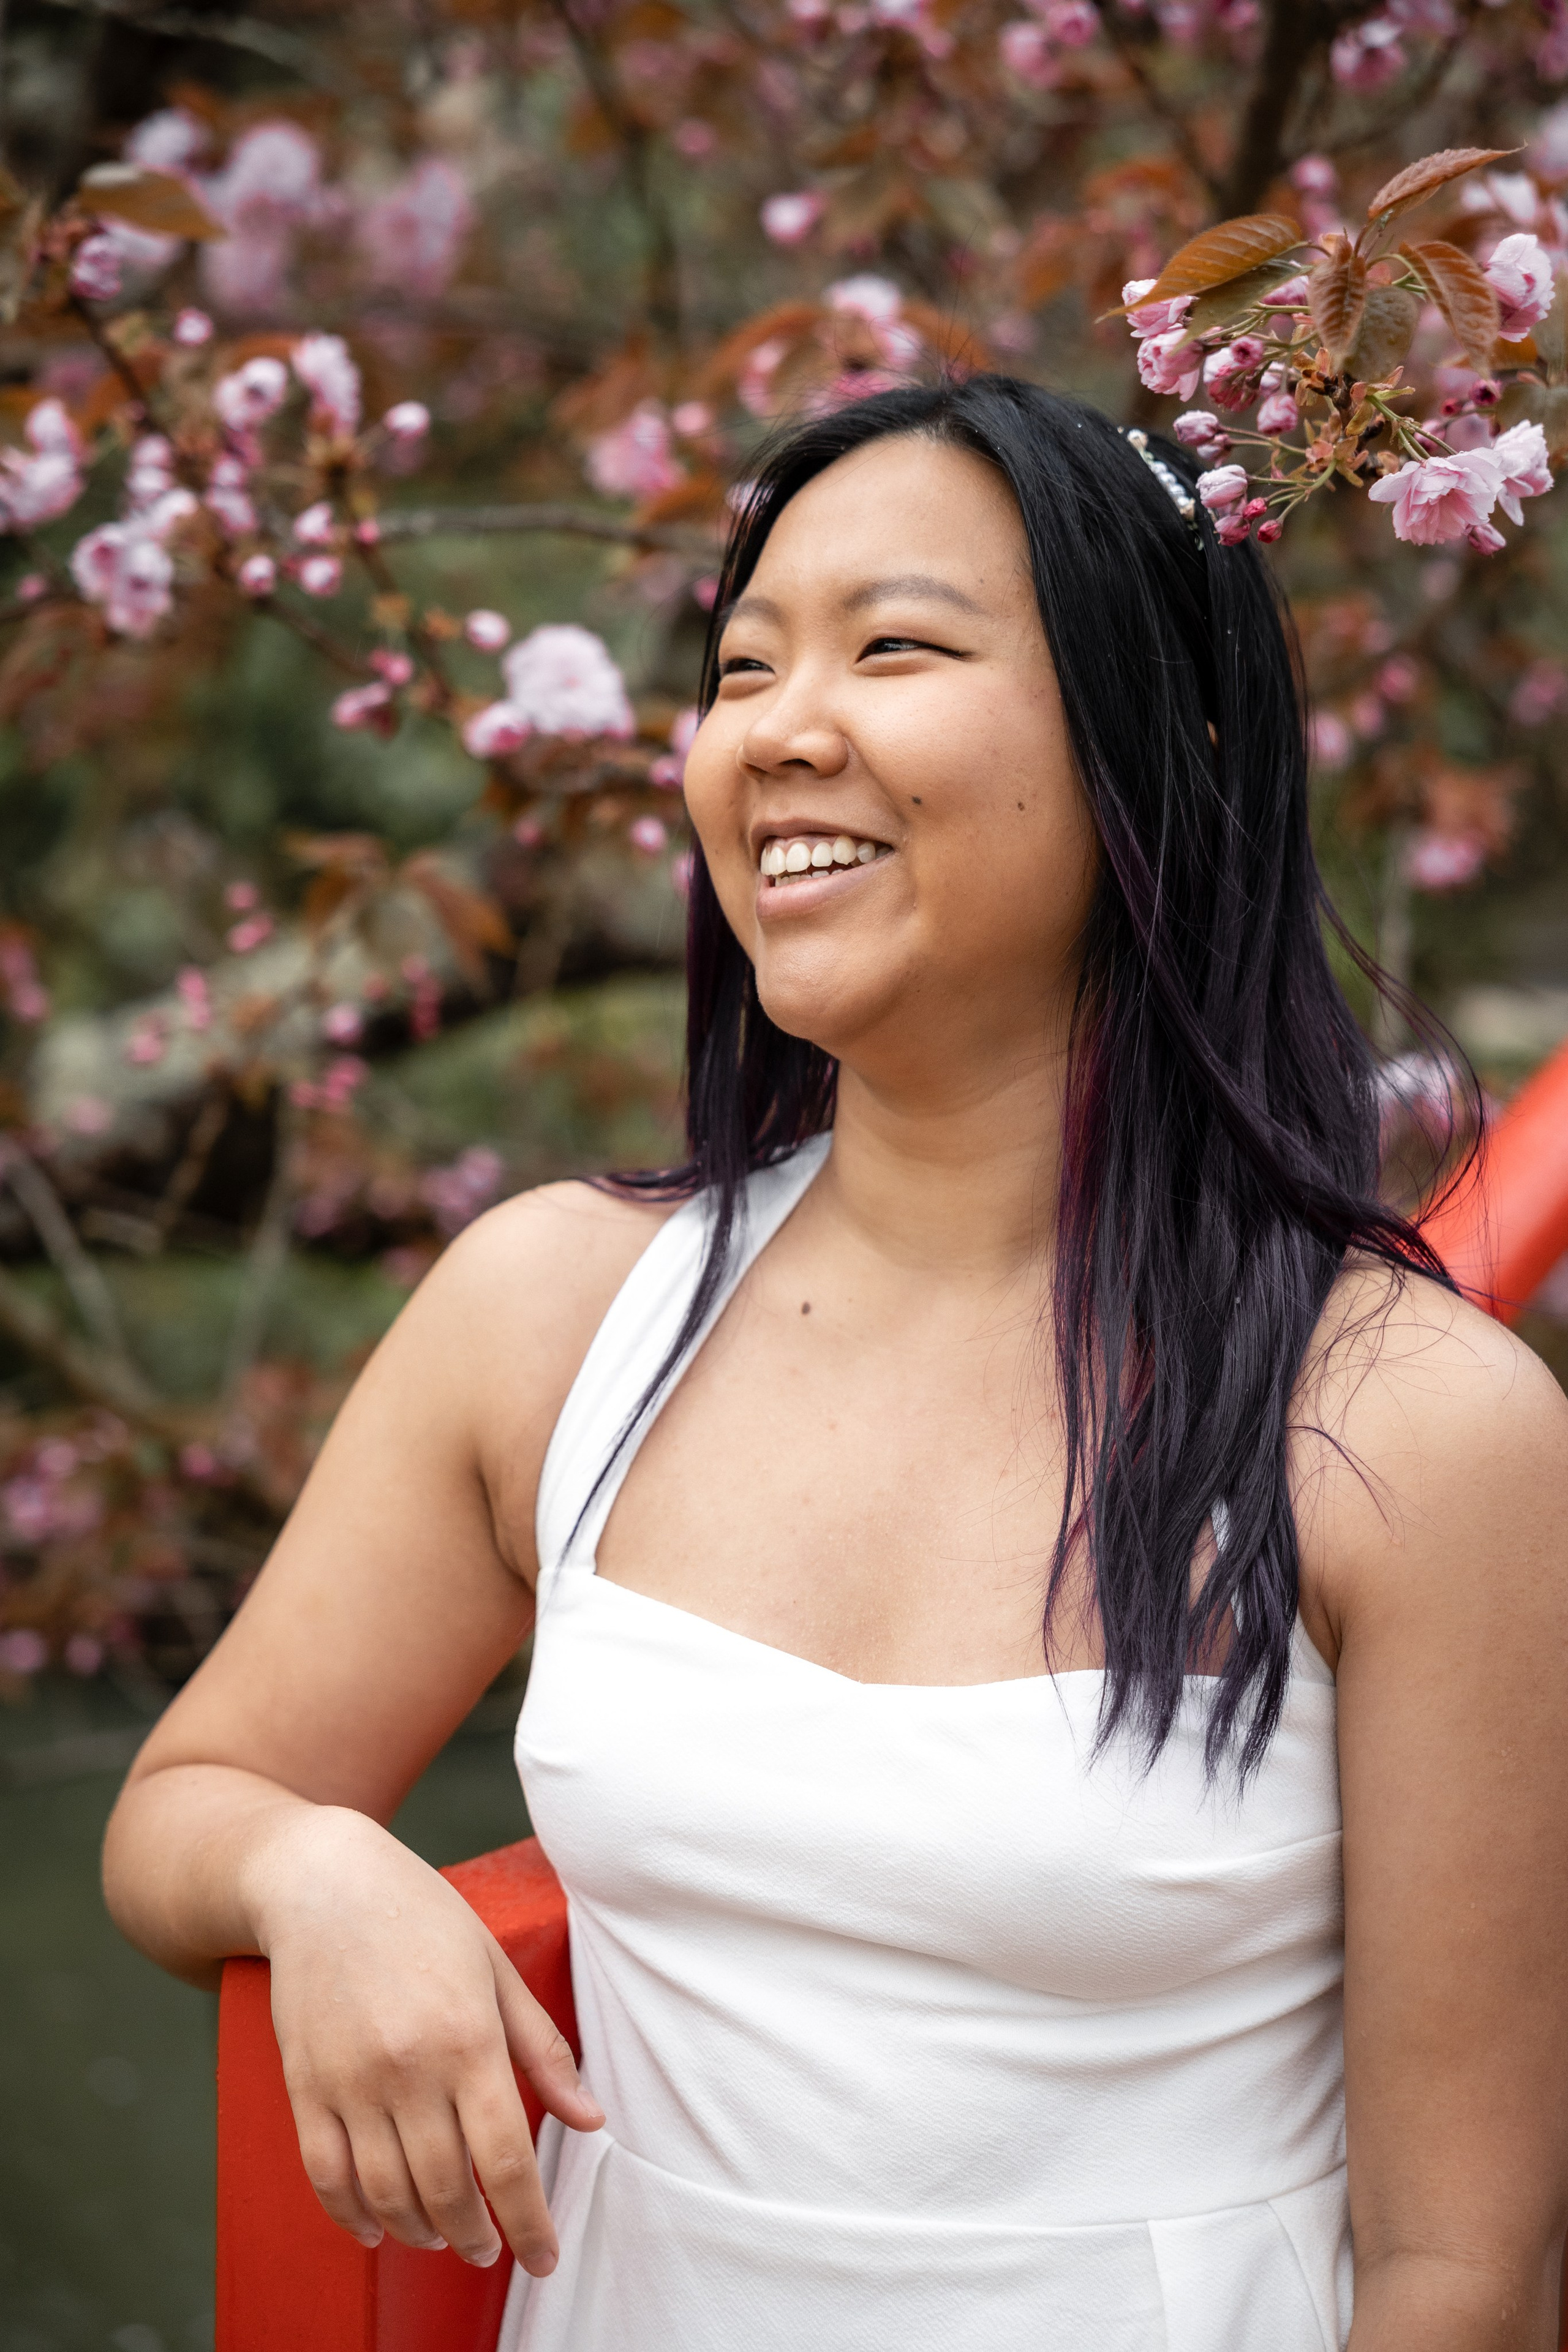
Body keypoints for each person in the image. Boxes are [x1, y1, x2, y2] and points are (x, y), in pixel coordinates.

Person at [104, 377, 1568, 2352]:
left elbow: (1466, 2273)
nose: (779, 729)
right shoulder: (551, 1315)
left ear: (1165, 746)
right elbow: (189, 1802)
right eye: (742, 667)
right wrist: (315, 1870)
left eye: (895, 649)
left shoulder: (1414, 1432)